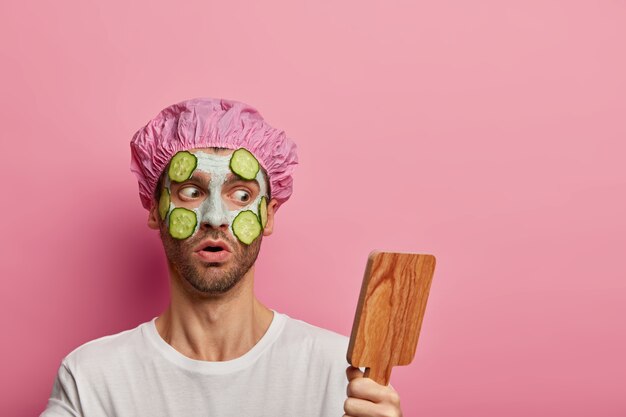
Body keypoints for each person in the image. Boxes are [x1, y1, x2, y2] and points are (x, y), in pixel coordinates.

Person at [41, 97, 403, 416]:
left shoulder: (344, 374)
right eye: (191, 191)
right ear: (154, 210)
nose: (215, 217)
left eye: (241, 195)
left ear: (269, 215)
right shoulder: (91, 380)